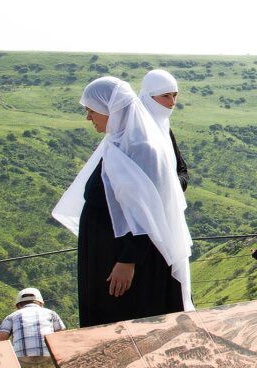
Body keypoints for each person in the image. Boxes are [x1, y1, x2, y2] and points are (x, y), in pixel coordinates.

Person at [52, 77, 193, 327]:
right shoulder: (119, 141)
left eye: (91, 111)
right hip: (108, 254)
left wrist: (128, 261)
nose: (88, 118)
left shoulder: (140, 148)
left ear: (111, 110)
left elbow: (146, 212)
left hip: (127, 259)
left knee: (126, 322)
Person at [0, 288, 66, 368]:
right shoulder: (51, 313)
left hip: (22, 357)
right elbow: (61, 335)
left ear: (17, 306)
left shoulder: (11, 316)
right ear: (41, 303)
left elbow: (2, 339)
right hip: (47, 355)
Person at [139, 69, 189, 191]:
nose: (172, 102)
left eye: (174, 95)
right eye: (165, 96)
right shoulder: (136, 130)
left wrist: (171, 188)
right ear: (149, 97)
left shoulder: (164, 127)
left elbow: (182, 171)